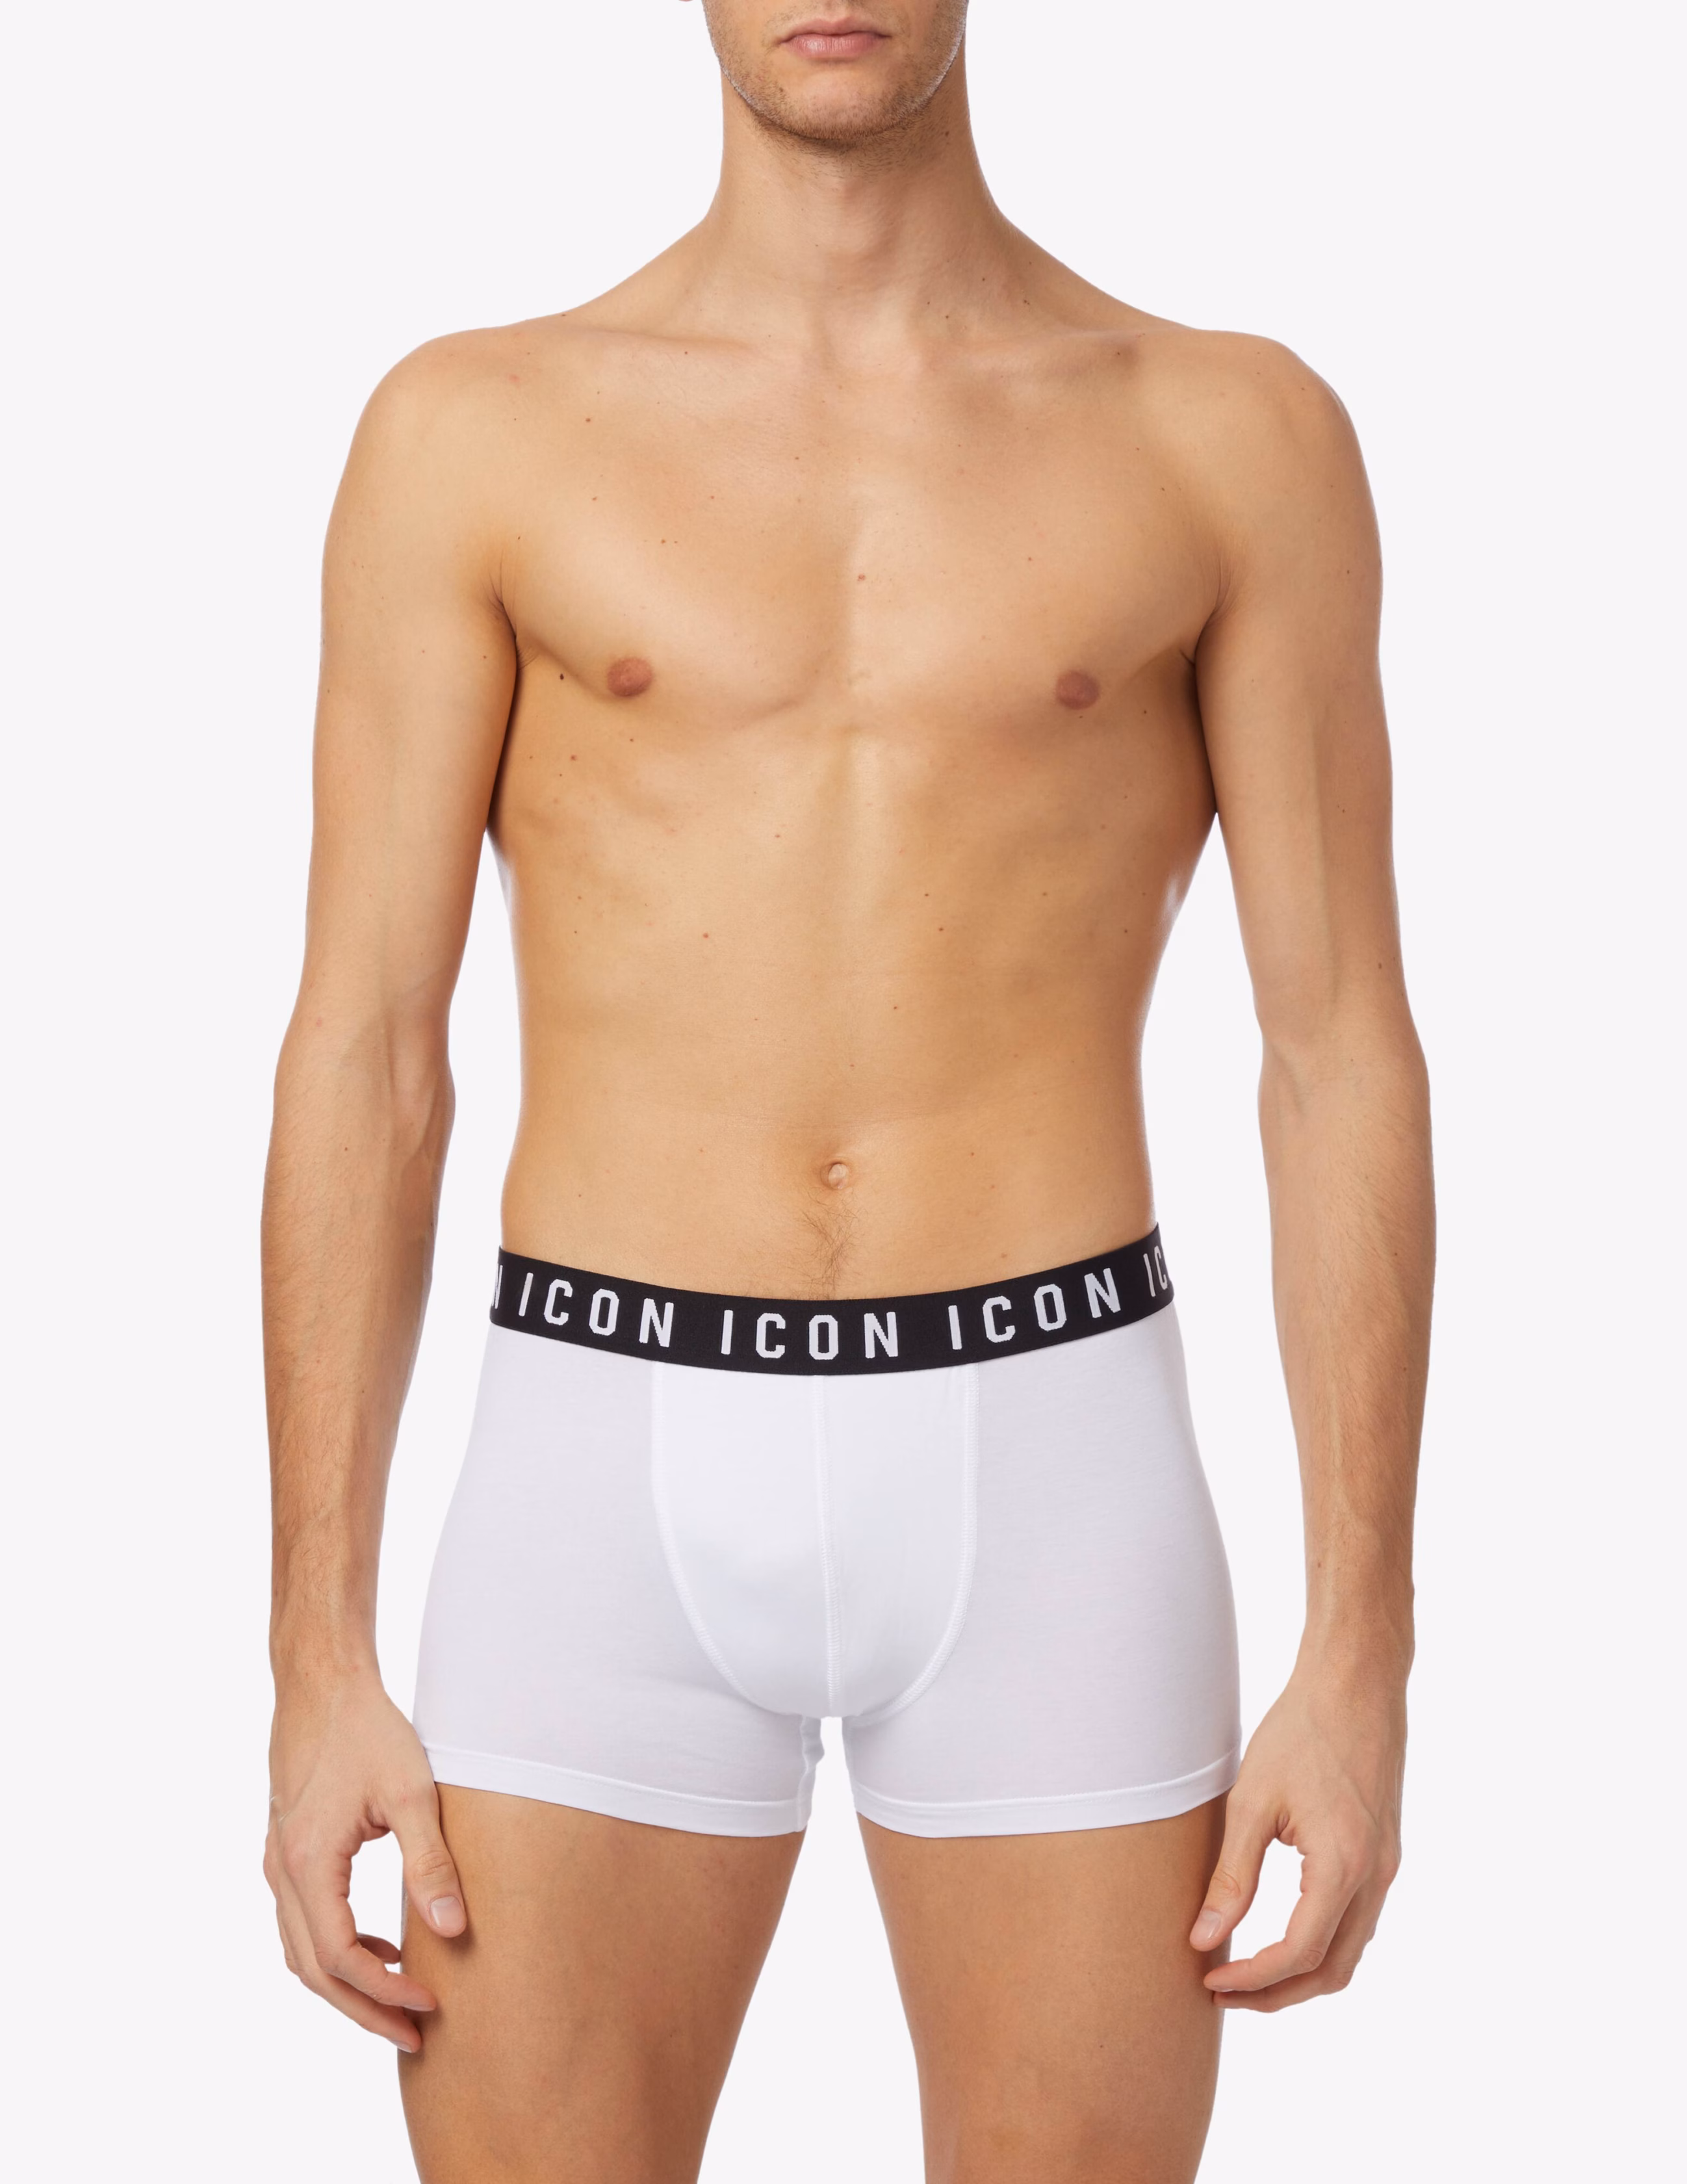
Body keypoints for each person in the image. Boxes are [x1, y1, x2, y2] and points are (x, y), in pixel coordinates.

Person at [261, 4, 1434, 2177]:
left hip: (1056, 1457)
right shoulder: (474, 432)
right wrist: (311, 1652)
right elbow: (366, 1047)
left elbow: (1334, 1046)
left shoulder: (1223, 431)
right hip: (596, 1451)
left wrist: (1359, 1654)